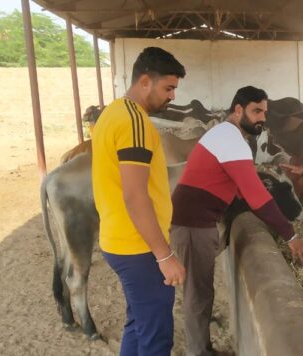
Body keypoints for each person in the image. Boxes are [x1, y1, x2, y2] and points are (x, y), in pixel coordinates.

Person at [170, 86, 303, 356]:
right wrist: (290, 235)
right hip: (193, 225)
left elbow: (236, 186)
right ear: (238, 110)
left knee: (200, 291)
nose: (262, 118)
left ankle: (201, 348)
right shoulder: (230, 137)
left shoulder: (227, 135)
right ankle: (198, 352)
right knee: (198, 294)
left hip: (197, 221)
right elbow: (256, 194)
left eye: (265, 112)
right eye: (256, 111)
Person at [91, 47, 186, 356]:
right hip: (139, 247)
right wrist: (164, 255)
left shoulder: (114, 111)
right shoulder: (135, 122)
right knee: (156, 339)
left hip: (120, 240)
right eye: (168, 88)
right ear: (145, 81)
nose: (172, 96)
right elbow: (134, 195)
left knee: (138, 324)